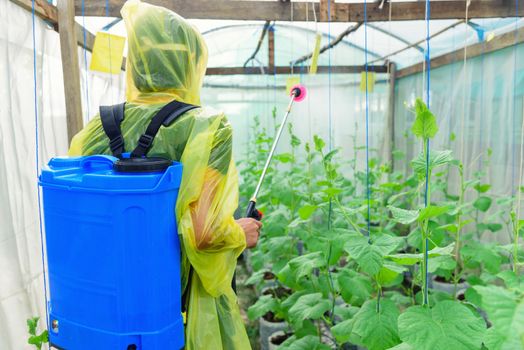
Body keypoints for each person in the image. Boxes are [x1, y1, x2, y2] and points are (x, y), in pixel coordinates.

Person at [69, 0, 260, 348]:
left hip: (107, 303)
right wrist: (240, 233)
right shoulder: (208, 127)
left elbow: (81, 208)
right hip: (175, 309)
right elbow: (203, 234)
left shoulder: (101, 124)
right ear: (190, 65)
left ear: (138, 62)